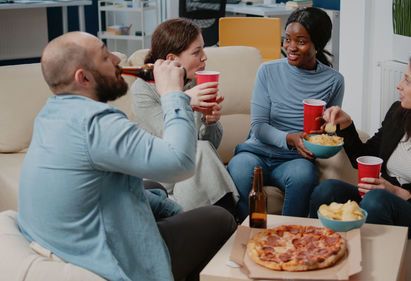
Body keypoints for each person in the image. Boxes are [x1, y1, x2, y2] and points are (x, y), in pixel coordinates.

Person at [17, 32, 236, 281]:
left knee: (154, 189)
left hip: (67, 242)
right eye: (105, 56)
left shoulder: (52, 114)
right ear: (83, 77)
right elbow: (180, 163)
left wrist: (175, 211)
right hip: (106, 259)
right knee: (221, 218)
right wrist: (173, 95)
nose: (116, 60)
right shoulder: (96, 122)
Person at [310, 52, 411, 238]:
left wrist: (396, 191)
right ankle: (319, 249)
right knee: (327, 190)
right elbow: (364, 156)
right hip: (381, 198)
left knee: (376, 199)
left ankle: (369, 262)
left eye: (407, 80)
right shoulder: (399, 113)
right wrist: (346, 124)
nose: (399, 85)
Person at [227, 7, 345, 219]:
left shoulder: (334, 81)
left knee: (304, 175)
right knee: (239, 168)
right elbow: (259, 127)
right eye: (287, 39)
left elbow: (328, 132)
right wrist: (290, 138)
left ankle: (289, 236)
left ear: (317, 44)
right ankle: (246, 233)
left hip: (294, 160)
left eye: (301, 41)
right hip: (256, 152)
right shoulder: (268, 71)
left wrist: (327, 134)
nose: (291, 47)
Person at [131, 18, 238, 213]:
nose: (204, 57)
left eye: (203, 50)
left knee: (203, 149)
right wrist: (185, 100)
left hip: (189, 169)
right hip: (158, 171)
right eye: (197, 52)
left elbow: (210, 145)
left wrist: (210, 122)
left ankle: (226, 222)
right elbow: (172, 138)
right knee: (200, 150)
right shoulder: (143, 89)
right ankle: (234, 217)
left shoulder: (195, 82)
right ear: (172, 59)